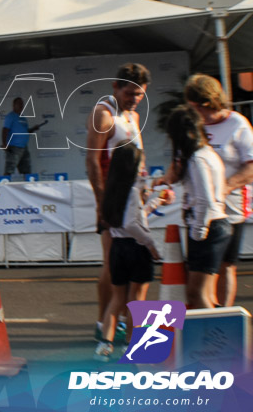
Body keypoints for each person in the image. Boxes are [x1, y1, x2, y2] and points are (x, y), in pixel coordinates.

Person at [85, 62, 150, 341]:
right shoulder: (104, 114)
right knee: (113, 266)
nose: (134, 99)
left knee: (132, 268)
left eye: (140, 94)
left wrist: (146, 188)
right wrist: (102, 204)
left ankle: (124, 320)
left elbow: (139, 155)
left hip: (134, 201)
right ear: (116, 86)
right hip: (113, 203)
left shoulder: (132, 116)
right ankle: (103, 322)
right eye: (130, 93)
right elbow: (91, 160)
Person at [184, 74, 253, 306]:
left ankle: (224, 315)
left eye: (193, 106)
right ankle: (206, 314)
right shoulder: (192, 125)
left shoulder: (237, 123)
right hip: (198, 208)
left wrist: (225, 188)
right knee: (201, 268)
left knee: (226, 264)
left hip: (230, 208)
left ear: (206, 104)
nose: (191, 110)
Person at [94, 143, 174, 361]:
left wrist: (154, 202)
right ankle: (132, 344)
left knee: (117, 299)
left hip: (118, 248)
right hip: (135, 247)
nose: (143, 167)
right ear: (132, 165)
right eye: (140, 162)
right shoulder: (131, 190)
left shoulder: (111, 188)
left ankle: (105, 344)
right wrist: (150, 244)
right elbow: (132, 223)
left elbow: (134, 217)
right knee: (136, 300)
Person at [164, 105, 232, 309]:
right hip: (215, 224)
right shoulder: (207, 153)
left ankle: (213, 339)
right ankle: (213, 337)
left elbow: (205, 200)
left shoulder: (198, 158)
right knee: (204, 293)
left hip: (208, 226)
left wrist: (198, 232)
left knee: (196, 293)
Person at [1, 97, 47, 178]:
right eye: (19, 103)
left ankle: (28, 189)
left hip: (24, 148)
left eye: (22, 104)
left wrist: (33, 129)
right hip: (13, 147)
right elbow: (5, 129)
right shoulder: (10, 116)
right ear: (14, 105)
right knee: (9, 170)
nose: (21, 105)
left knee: (27, 171)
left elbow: (25, 132)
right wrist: (4, 144)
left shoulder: (23, 117)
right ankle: (4, 187)